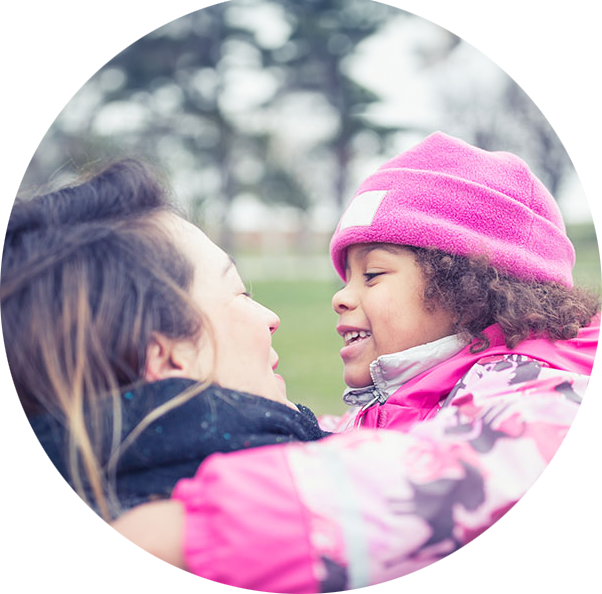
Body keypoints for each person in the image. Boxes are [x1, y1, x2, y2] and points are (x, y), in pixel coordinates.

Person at [41, 132, 602, 594]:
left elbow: (443, 489)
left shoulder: (560, 408)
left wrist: (173, 537)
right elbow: (333, 451)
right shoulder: (397, 414)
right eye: (344, 277)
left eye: (373, 274)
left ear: (471, 289)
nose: (341, 296)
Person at [0, 159, 326, 594]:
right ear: (167, 357)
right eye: (240, 293)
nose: (271, 318)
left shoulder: (50, 552)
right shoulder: (283, 546)